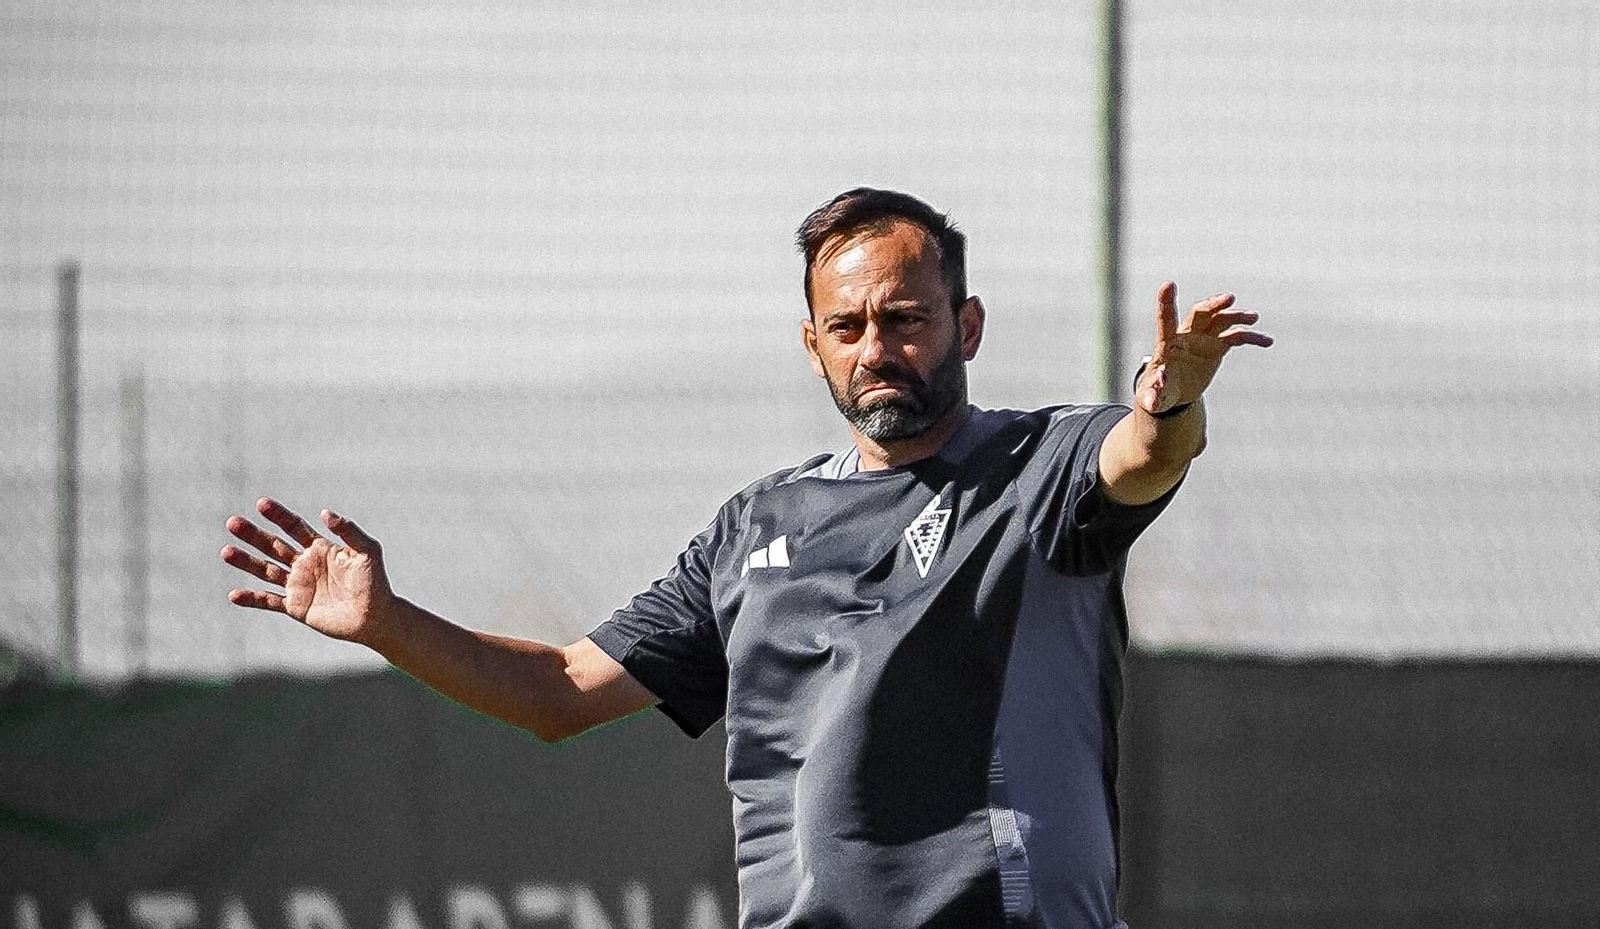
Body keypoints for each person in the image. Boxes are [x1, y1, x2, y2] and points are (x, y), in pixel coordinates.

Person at [220, 187, 1271, 929]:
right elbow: (559, 690)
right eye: (847, 323)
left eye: (906, 318)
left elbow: (1140, 457)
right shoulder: (752, 527)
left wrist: (1167, 399)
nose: (877, 346)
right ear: (811, 342)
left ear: (968, 324)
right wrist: (387, 621)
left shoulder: (1039, 465)